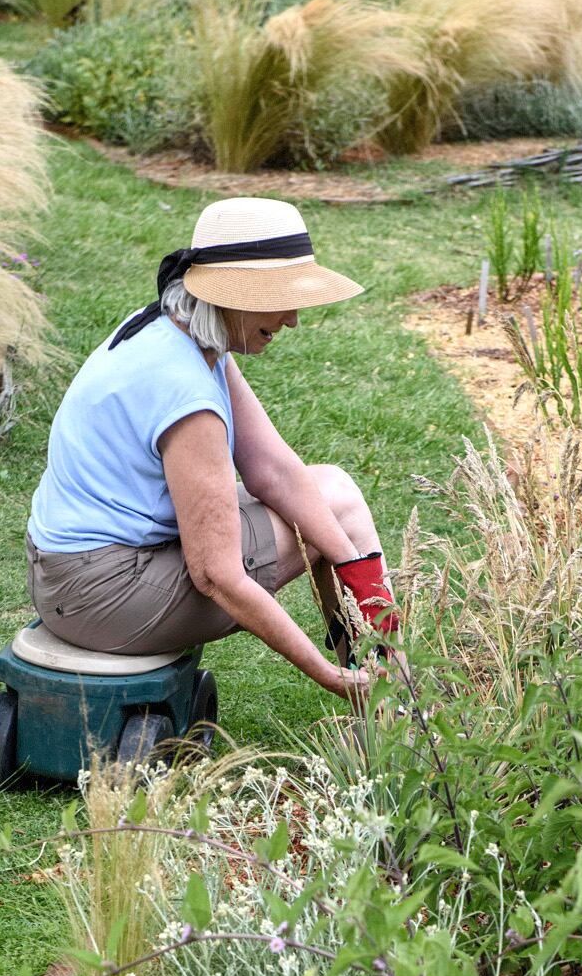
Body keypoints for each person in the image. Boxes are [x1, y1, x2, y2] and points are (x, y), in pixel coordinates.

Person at [25, 197, 397, 708]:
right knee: (329, 511)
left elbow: (273, 470)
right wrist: (325, 674)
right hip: (105, 596)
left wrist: (355, 567)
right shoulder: (187, 395)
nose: (292, 320)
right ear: (235, 295)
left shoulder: (174, 327)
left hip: (67, 573)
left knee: (333, 491)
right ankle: (383, 693)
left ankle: (386, 677)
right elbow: (216, 575)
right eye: (282, 299)